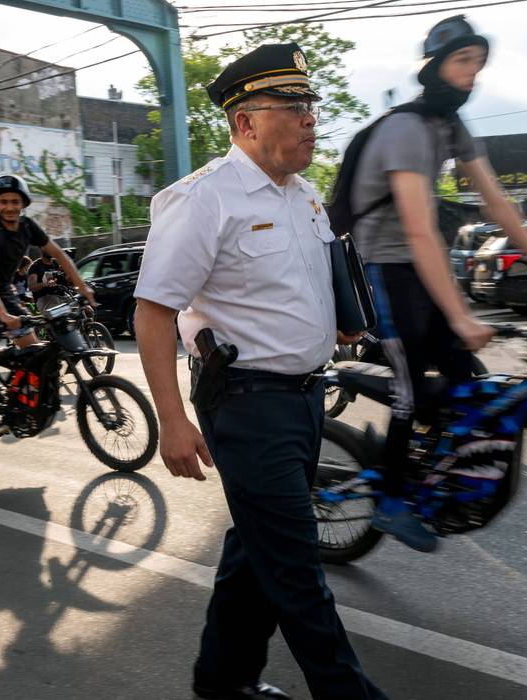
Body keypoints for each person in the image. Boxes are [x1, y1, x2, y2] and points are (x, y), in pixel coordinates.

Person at [135, 43, 386, 700]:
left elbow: (303, 290)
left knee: (258, 554)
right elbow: (153, 313)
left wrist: (340, 325)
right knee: (297, 574)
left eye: (310, 105)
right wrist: (171, 420)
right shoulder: (204, 200)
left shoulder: (304, 198)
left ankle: (221, 683)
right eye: (292, 106)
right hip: (246, 406)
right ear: (245, 121)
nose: (309, 119)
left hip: (303, 402)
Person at [350, 15, 527, 552]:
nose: (472, 74)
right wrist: (458, 313)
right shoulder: (406, 128)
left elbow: (497, 200)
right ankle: (389, 504)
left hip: (419, 260)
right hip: (386, 266)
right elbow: (416, 228)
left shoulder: (450, 127)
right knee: (411, 389)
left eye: (478, 64)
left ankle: (434, 467)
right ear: (433, 67)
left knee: (464, 374)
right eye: (462, 62)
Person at [0, 175, 93, 435]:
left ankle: (15, 398)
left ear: (23, 203)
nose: (9, 206)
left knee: (34, 351)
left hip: (6, 293)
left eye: (14, 201)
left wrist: (82, 286)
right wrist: (2, 314)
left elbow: (59, 255)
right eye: (3, 202)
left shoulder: (28, 227)